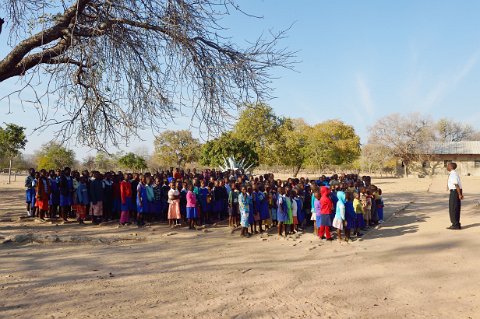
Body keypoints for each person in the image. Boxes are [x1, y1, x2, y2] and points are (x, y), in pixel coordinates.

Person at [447, 162, 463, 230]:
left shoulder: (453, 174)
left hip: (455, 192)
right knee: (455, 208)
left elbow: (456, 185)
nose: (447, 167)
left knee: (453, 209)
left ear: (451, 167)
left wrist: (459, 194)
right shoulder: (453, 174)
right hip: (455, 192)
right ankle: (456, 224)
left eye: (448, 166)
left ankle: (455, 225)